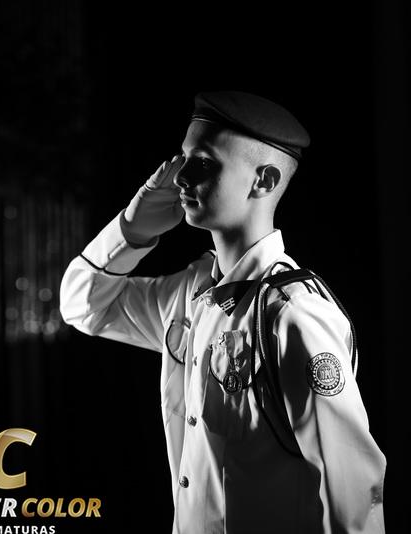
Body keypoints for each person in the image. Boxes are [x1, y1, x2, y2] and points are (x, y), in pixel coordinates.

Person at [60, 91, 386, 533]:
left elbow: (352, 492)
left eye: (203, 163)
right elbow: (81, 306)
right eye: (183, 159)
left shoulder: (294, 315)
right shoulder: (191, 293)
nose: (180, 177)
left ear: (264, 180)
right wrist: (131, 232)